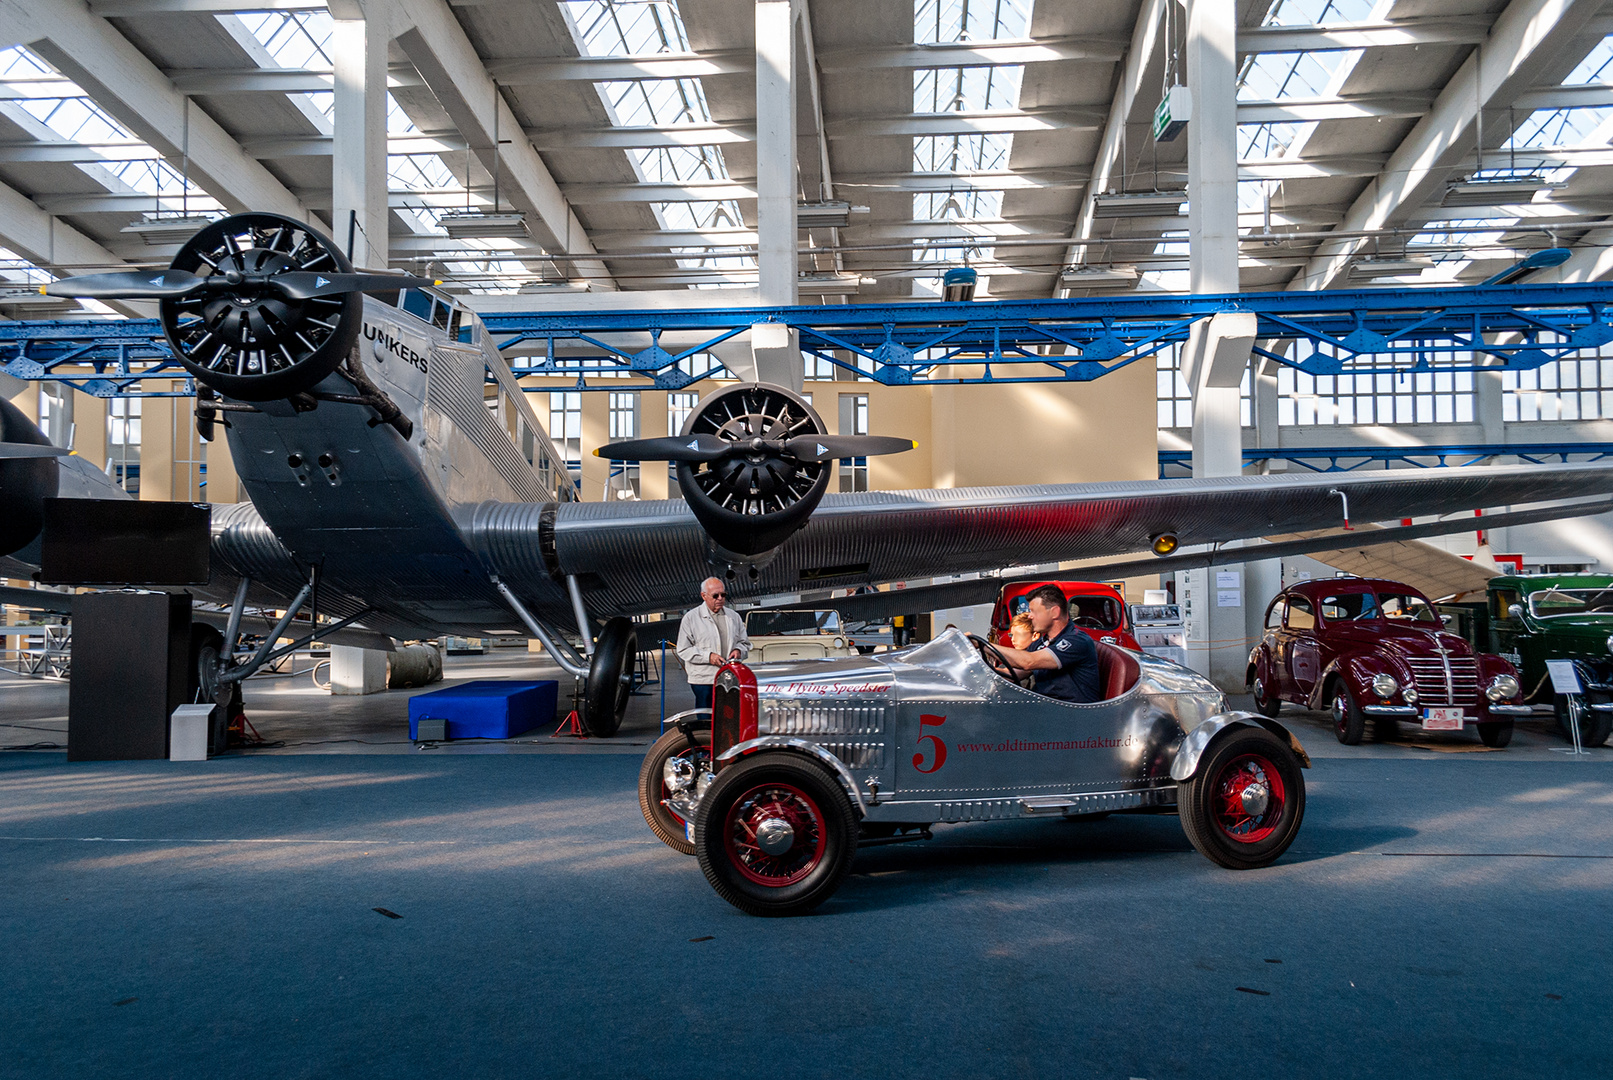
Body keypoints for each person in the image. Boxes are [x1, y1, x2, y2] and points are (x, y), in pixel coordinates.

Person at [988, 584, 1101, 704]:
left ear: (1054, 612)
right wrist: (981, 669)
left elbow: (1029, 662)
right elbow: (1012, 674)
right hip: (1047, 707)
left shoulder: (1075, 641)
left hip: (1072, 714)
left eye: (1034, 611)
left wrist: (985, 646)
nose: (1030, 616)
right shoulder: (1041, 643)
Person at [675, 577, 751, 710]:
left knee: (728, 716)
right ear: (703, 596)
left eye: (723, 595)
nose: (720, 598)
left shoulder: (734, 617)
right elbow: (683, 649)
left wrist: (738, 651)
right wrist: (708, 657)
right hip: (703, 680)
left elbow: (745, 643)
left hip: (728, 678)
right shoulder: (691, 618)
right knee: (705, 717)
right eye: (715, 595)